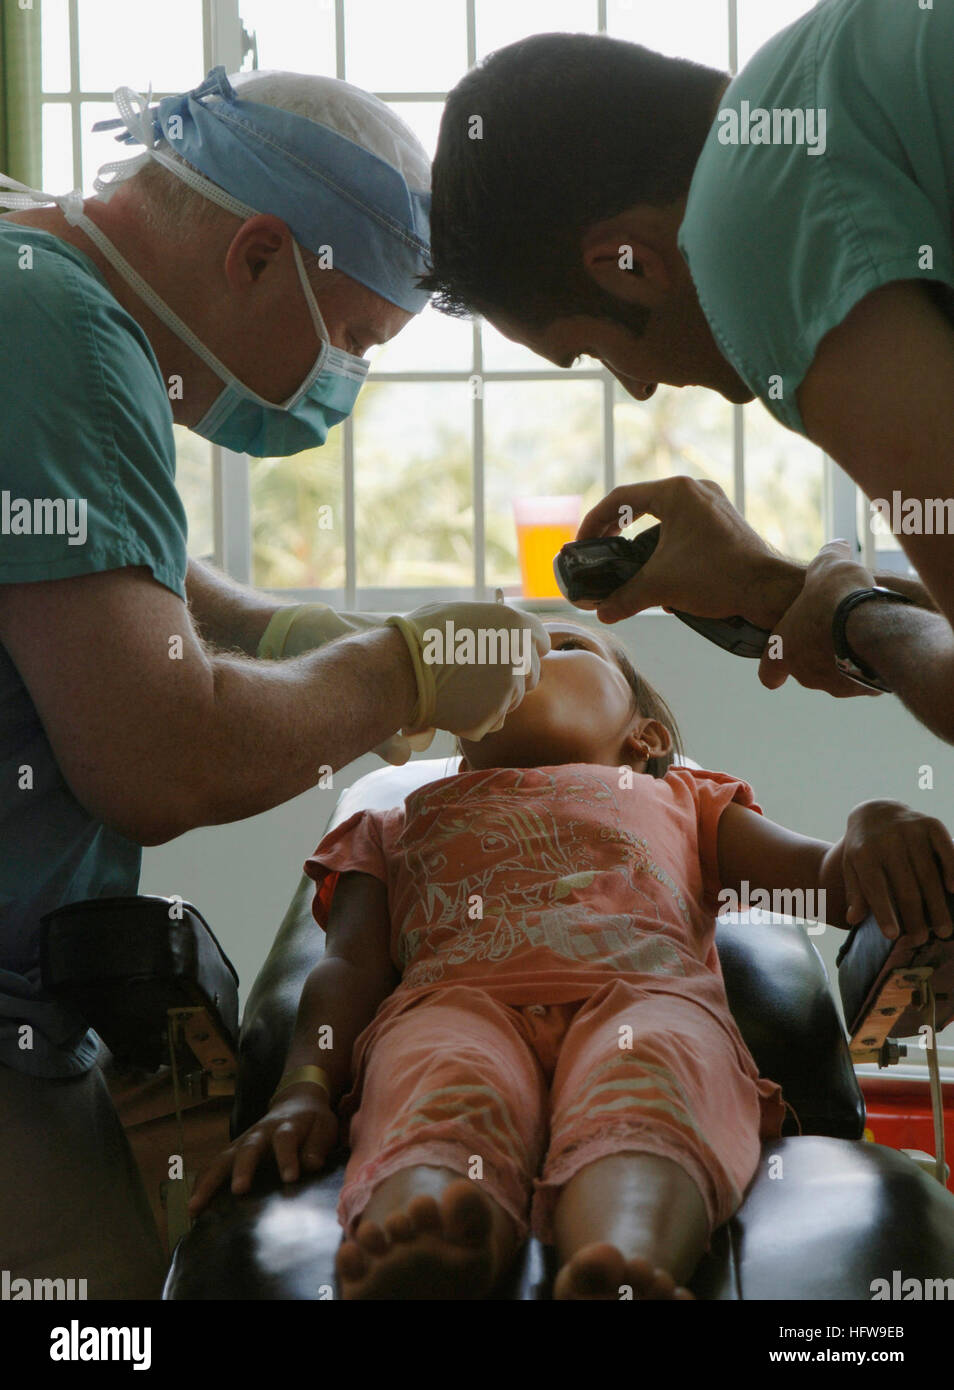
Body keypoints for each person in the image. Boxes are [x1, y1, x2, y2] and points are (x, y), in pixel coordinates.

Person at [0, 67, 547, 1297]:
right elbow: (159, 758)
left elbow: (82, 556)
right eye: (353, 338)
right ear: (255, 253)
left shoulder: (27, 260)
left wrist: (291, 629)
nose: (342, 381)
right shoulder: (66, 341)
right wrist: (396, 671)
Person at [189, 620, 954, 1299]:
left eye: (561, 645)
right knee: (442, 1071)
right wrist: (303, 1092)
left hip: (644, 997)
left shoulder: (686, 800)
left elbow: (825, 885)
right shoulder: (390, 821)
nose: (520, 654)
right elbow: (347, 970)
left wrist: (872, 829)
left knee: (651, 1070)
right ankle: (432, 1235)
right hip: (457, 1004)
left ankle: (622, 1255)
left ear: (644, 738)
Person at [421, 5, 954, 743]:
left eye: (592, 352)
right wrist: (789, 589)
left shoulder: (750, 217)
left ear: (626, 263)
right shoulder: (825, 94)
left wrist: (850, 617)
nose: (636, 388)